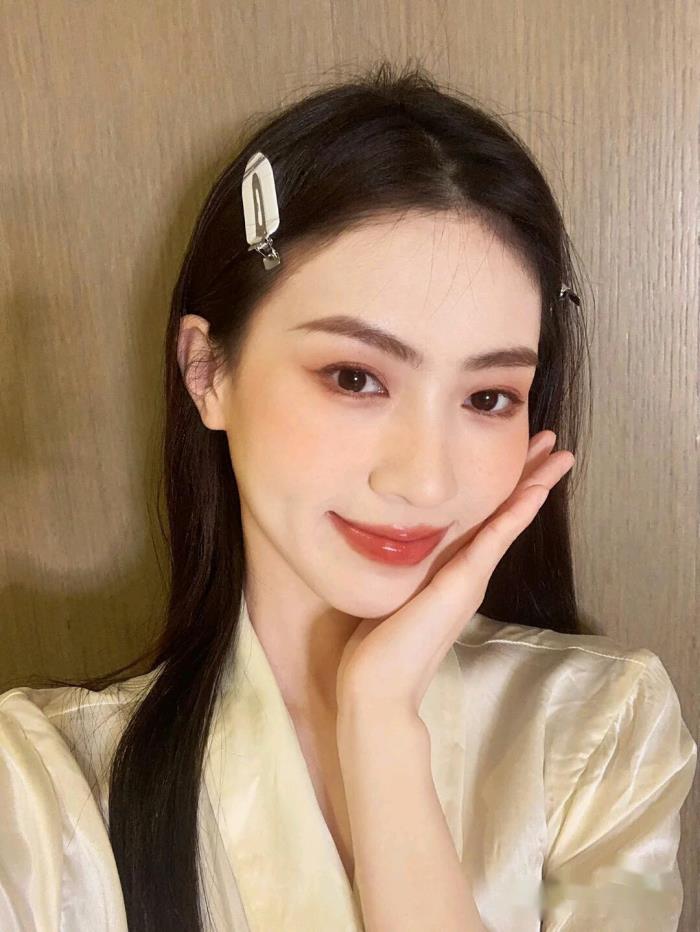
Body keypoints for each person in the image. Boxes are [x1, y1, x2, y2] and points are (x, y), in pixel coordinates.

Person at [0, 60, 695, 932]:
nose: (426, 480)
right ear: (207, 371)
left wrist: (381, 729)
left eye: (488, 397)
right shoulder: (43, 789)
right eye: (355, 377)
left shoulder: (604, 728)